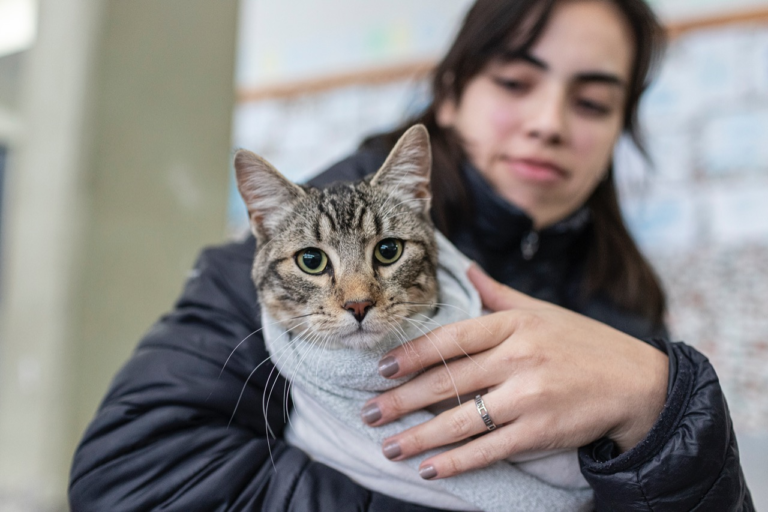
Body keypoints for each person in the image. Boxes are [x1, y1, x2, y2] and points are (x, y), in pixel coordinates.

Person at [69, 0, 754, 510]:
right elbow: (127, 482)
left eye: (594, 101)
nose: (549, 122)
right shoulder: (262, 263)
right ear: (451, 91)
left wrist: (663, 400)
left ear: (618, 129)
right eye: (515, 83)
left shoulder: (630, 298)